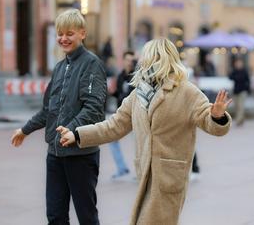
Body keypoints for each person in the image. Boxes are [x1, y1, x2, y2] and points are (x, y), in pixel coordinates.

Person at [57, 38, 232, 225]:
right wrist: (77, 134)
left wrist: (217, 116)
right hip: (145, 176)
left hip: (169, 178)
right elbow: (113, 126)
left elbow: (211, 124)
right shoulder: (138, 94)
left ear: (161, 59)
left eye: (147, 57)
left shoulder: (187, 92)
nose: (142, 61)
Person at [11, 9, 107, 225]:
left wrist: (72, 130)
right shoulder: (59, 67)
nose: (63, 38)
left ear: (82, 33)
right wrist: (25, 130)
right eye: (60, 34)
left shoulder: (91, 64)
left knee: (87, 217)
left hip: (81, 154)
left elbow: (94, 108)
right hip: (55, 154)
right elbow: (48, 110)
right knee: (55, 215)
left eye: (70, 33)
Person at [109, 51, 136, 179]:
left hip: (135, 115)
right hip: (122, 115)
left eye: (132, 60)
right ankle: (121, 168)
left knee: (139, 143)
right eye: (128, 59)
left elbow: (134, 96)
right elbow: (120, 94)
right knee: (112, 140)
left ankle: (141, 172)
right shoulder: (120, 76)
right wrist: (111, 93)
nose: (130, 62)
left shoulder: (137, 76)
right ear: (124, 60)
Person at [229, 58, 250, 126]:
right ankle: (241, 119)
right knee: (236, 106)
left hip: (242, 91)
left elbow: (248, 80)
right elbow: (230, 77)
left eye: (239, 63)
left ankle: (238, 121)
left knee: (241, 106)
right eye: (237, 63)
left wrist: (247, 89)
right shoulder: (234, 71)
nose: (238, 64)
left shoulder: (244, 71)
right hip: (236, 91)